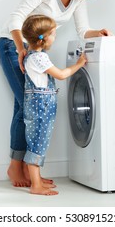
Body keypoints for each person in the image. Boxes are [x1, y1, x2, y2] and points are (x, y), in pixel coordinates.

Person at [0, 0, 112, 187]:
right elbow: (16, 18)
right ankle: (19, 167)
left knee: (24, 106)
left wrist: (97, 33)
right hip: (13, 44)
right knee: (27, 106)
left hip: (34, 52)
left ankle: (20, 166)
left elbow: (82, 31)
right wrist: (22, 49)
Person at [21, 15, 87, 195]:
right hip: (40, 107)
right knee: (37, 143)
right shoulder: (39, 58)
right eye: (54, 34)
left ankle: (37, 179)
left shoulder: (32, 55)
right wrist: (79, 64)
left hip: (39, 105)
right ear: (43, 37)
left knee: (38, 142)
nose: (55, 37)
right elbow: (61, 74)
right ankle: (35, 185)